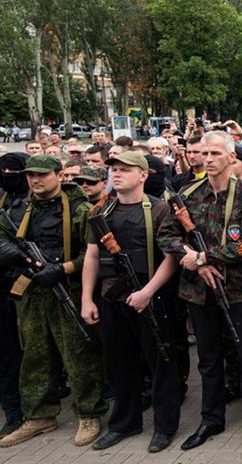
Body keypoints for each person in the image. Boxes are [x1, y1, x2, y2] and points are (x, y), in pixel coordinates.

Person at [157, 131, 242, 452]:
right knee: (208, 360)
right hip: (198, 291)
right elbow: (166, 235)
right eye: (203, 153)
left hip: (239, 290)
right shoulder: (187, 195)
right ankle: (211, 419)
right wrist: (190, 260)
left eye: (215, 153)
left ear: (231, 157)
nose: (207, 159)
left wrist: (204, 257)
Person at [0, 155, 106, 449]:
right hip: (32, 291)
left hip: (67, 289)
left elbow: (93, 254)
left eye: (42, 175)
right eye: (30, 175)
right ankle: (38, 414)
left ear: (59, 175)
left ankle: (89, 413)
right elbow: (3, 239)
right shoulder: (19, 209)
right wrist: (18, 258)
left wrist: (63, 268)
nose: (34, 180)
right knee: (35, 354)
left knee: (78, 353)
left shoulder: (79, 209)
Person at [79, 152, 181, 453]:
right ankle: (124, 423)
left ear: (143, 175)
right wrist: (87, 299)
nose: (117, 175)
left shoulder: (160, 209)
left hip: (152, 296)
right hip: (113, 297)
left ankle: (164, 427)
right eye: (114, 170)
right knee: (118, 364)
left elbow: (170, 257)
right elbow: (92, 256)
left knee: (161, 364)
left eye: (125, 170)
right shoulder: (101, 210)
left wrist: (148, 292)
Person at [0, 153, 29, 437]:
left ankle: (20, 410)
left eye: (13, 170)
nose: (7, 174)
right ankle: (12, 409)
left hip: (24, 282)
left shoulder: (34, 203)